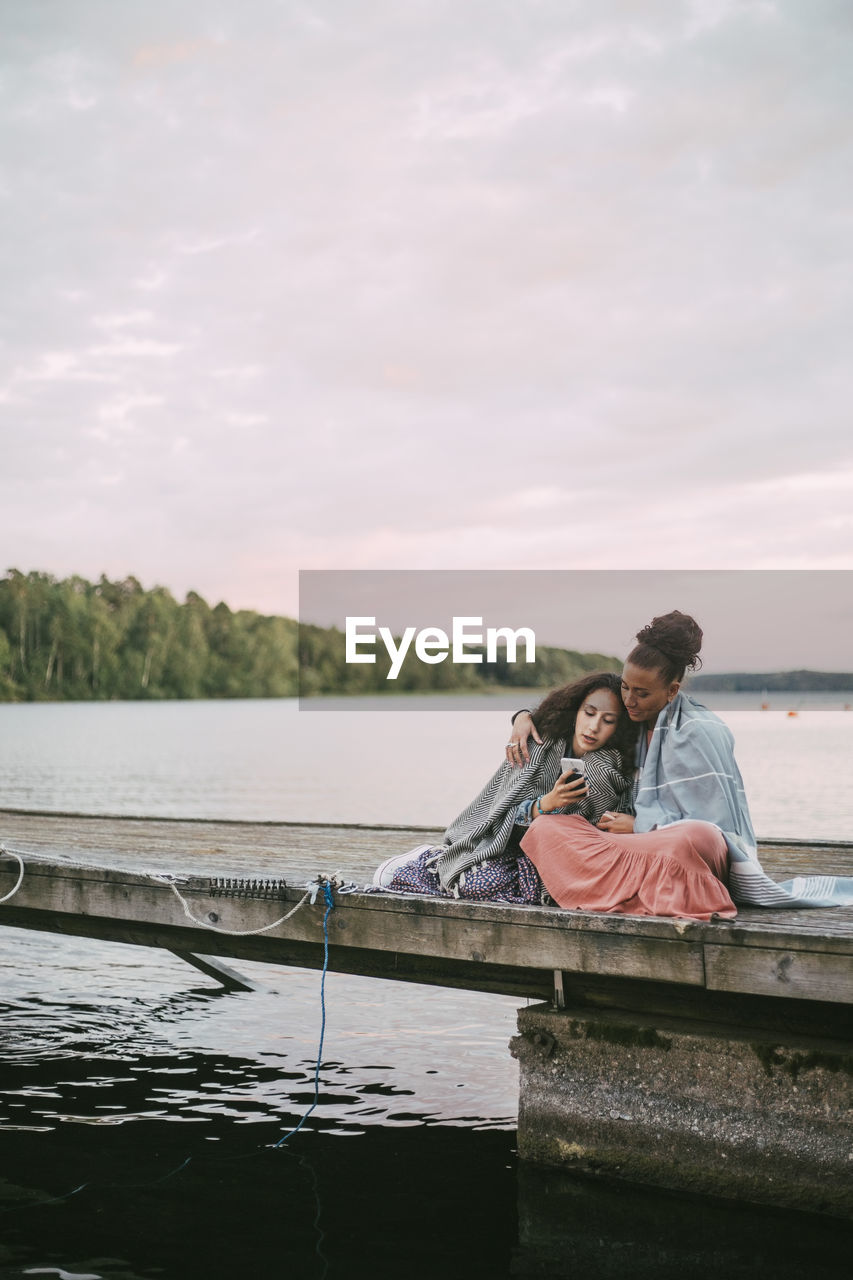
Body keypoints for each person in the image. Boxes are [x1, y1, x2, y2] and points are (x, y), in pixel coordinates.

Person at [512, 610, 853, 915]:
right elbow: (574, 715)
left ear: (672, 691)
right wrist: (525, 717)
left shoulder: (701, 730)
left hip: (689, 849)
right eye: (627, 688)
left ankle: (638, 890)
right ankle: (643, 891)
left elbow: (717, 828)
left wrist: (640, 825)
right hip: (639, 847)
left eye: (641, 693)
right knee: (549, 828)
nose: (629, 700)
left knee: (689, 838)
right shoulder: (631, 722)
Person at [372, 672, 636, 904]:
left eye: (608, 720)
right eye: (589, 713)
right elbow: (500, 812)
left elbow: (601, 833)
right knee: (472, 886)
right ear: (575, 710)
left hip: (555, 861)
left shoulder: (610, 770)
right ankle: (432, 859)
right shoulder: (539, 743)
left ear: (618, 726)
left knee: (540, 893)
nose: (593, 726)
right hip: (504, 845)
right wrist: (547, 804)